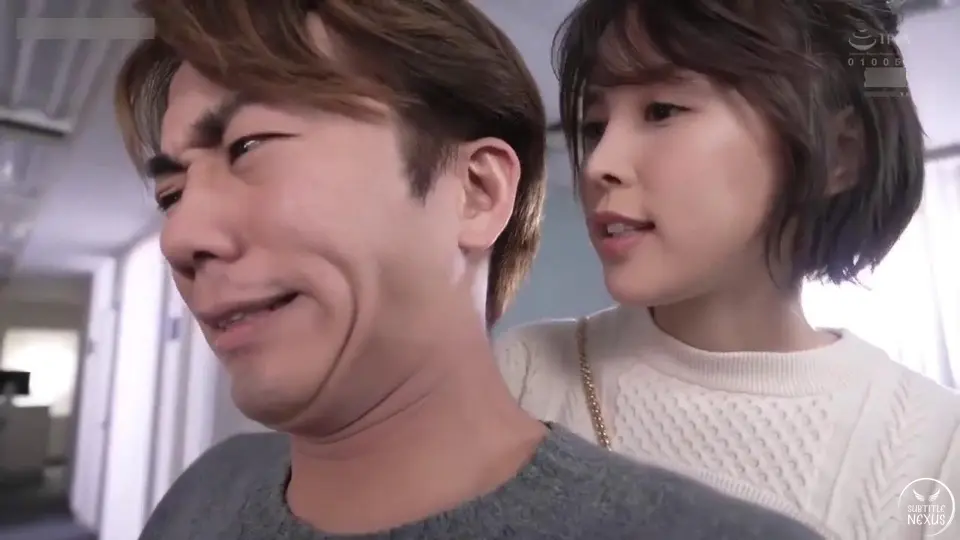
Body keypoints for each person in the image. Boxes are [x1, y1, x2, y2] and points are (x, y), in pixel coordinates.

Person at [114, 1, 822, 539]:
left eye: (248, 147)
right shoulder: (201, 498)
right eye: (171, 194)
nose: (181, 237)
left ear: (476, 192)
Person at [496, 0, 960, 538]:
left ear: (839, 155)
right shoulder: (524, 374)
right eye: (595, 126)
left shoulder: (935, 446)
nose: (599, 164)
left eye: (662, 110)